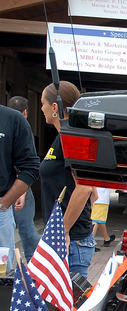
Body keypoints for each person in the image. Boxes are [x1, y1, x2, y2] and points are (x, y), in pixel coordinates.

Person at [40, 80, 96, 278]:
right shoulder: (61, 137)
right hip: (65, 238)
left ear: (55, 107)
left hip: (71, 241)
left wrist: (63, 230)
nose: (41, 108)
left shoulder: (70, 137)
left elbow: (86, 187)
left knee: (68, 307)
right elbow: (94, 192)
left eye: (43, 103)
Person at [0, 101, 40, 274]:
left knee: (1, 274)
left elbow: (30, 168)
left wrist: (3, 204)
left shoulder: (12, 119)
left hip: (1, 210)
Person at [91, 187, 115, 252]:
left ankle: (107, 238)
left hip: (94, 197)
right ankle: (90, 243)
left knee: (100, 220)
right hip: (102, 199)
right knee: (95, 220)